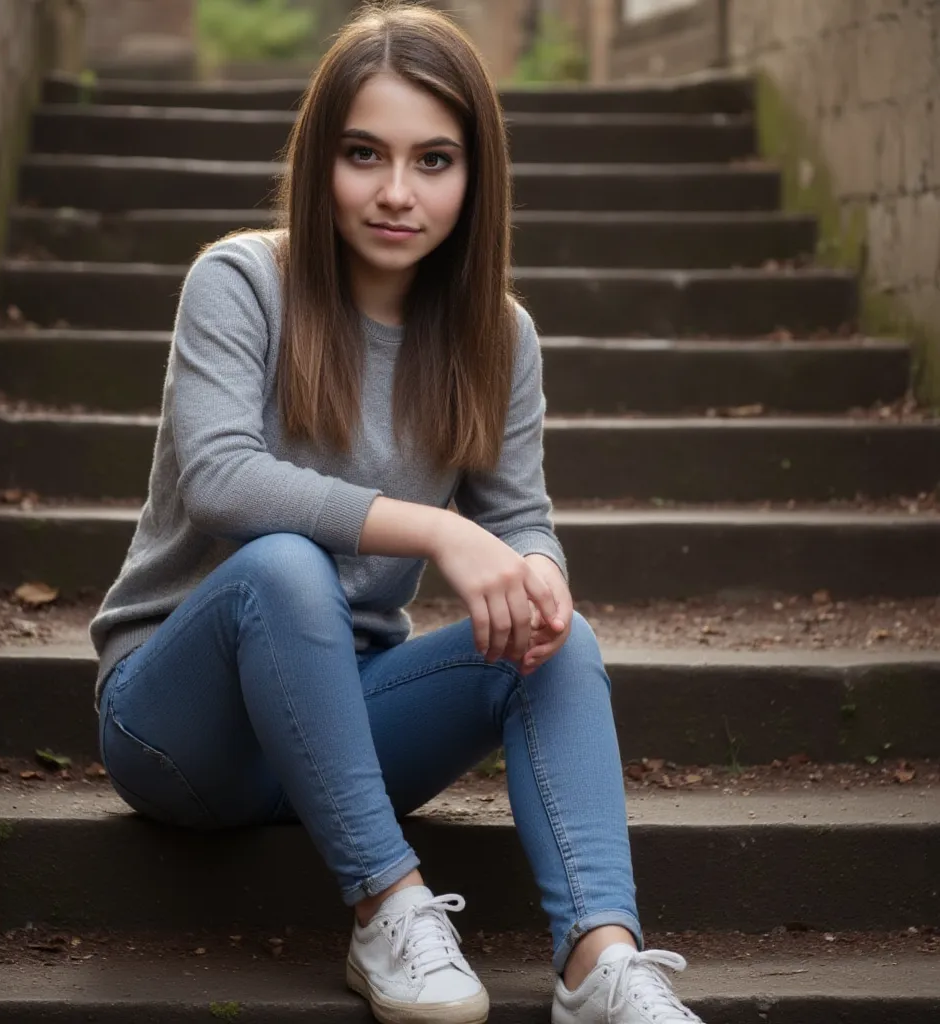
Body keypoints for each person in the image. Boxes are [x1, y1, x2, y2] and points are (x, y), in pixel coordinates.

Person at [90, 2, 707, 1022]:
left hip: (344, 723)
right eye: (363, 154)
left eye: (433, 161)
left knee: (559, 636)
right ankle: (388, 905)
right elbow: (220, 479)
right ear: (318, 158)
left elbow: (520, 518)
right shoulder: (241, 281)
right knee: (284, 565)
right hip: (177, 727)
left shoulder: (497, 338)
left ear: (475, 177)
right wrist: (438, 529)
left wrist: (533, 573)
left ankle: (599, 964)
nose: (394, 192)